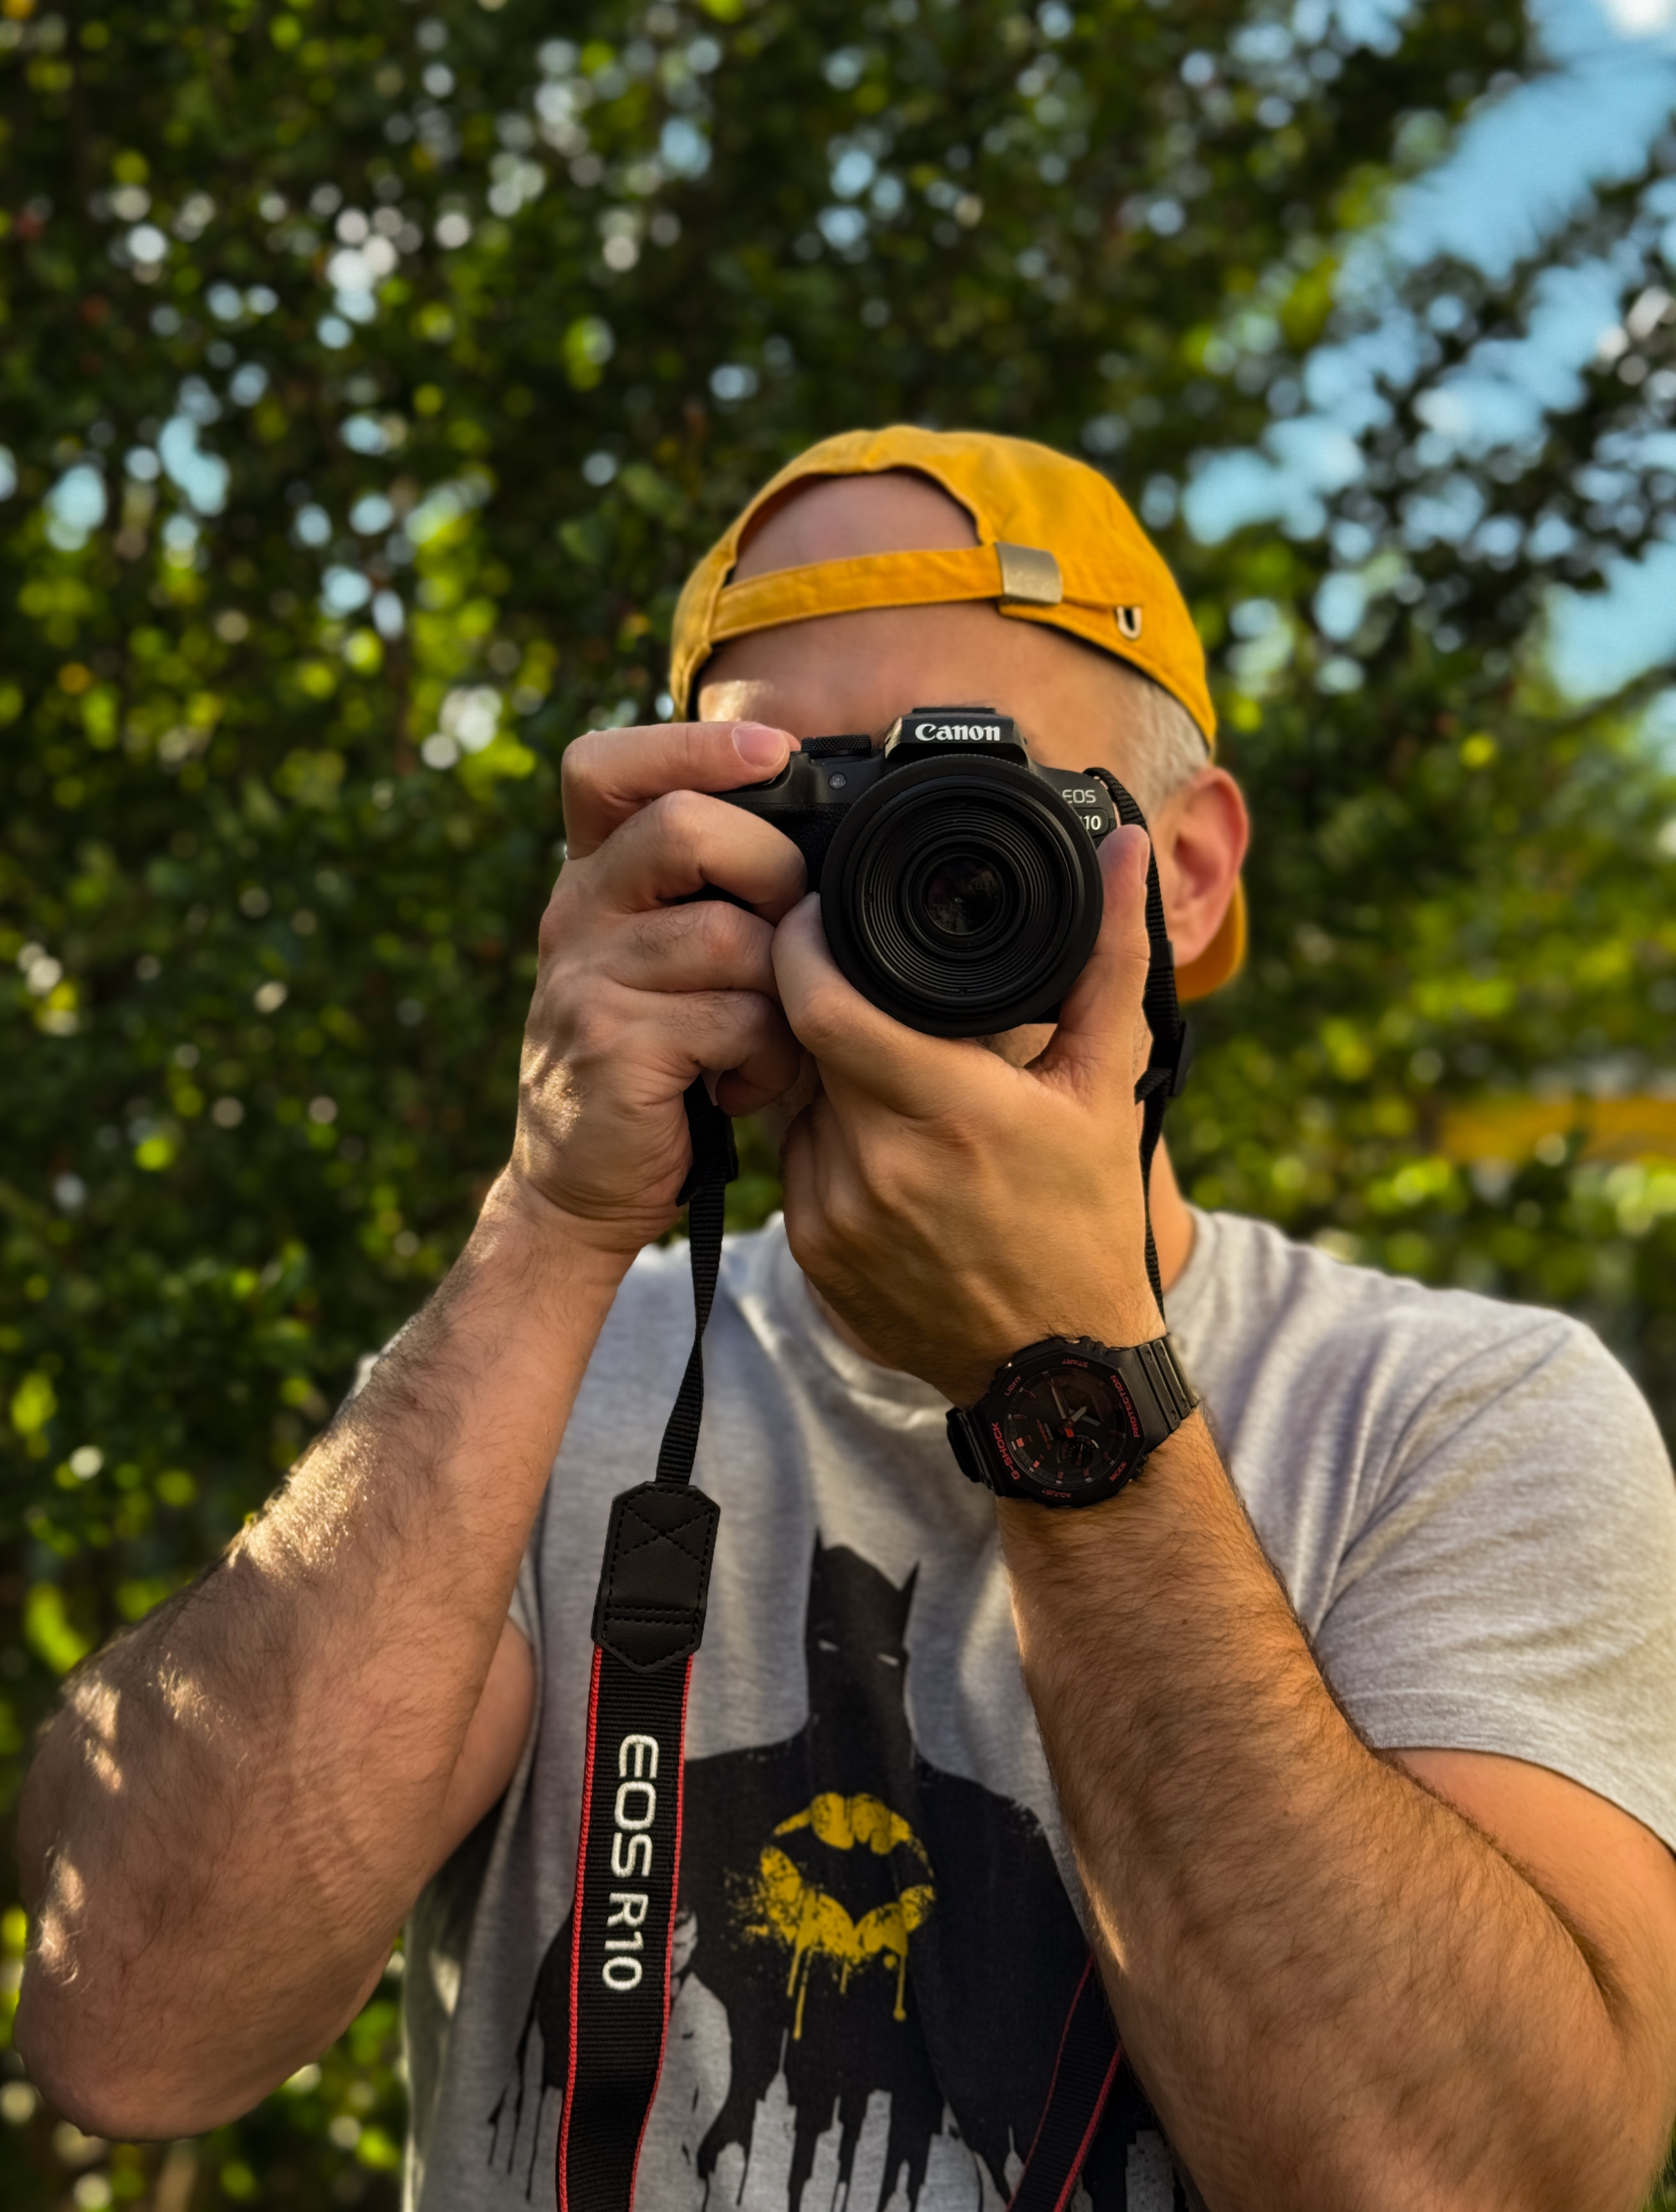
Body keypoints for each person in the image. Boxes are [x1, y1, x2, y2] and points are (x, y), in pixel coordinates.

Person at [16, 428, 1676, 2212]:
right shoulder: (541, 1381)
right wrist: (550, 1223)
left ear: (1189, 873)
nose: (910, 879)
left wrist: (1063, 1388)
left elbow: (1481, 2179)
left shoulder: (1456, 1416)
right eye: (814, 815)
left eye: (986, 810)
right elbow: (134, 2030)